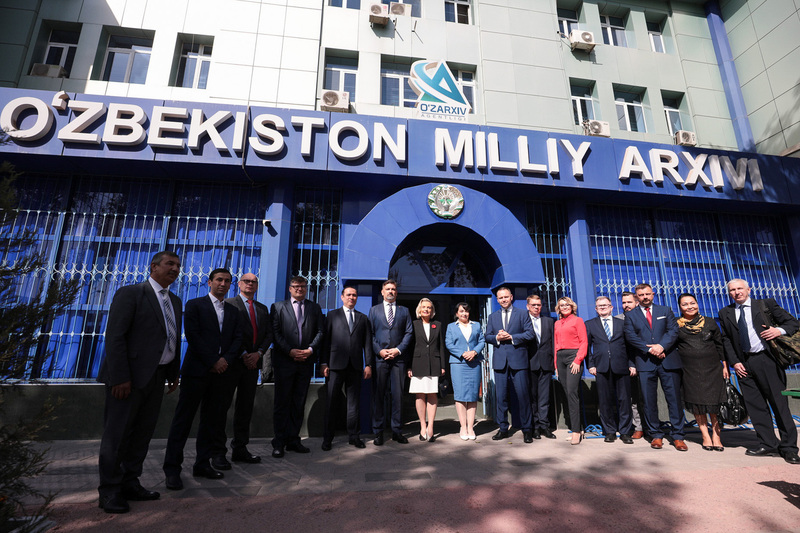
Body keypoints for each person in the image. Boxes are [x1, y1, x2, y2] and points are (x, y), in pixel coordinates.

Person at [97, 251, 182, 514]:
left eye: (178, 266)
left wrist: (172, 373)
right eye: (170, 264)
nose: (175, 269)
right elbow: (115, 337)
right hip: (128, 380)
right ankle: (110, 491)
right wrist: (121, 377)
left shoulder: (175, 301)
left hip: (156, 378)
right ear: (154, 266)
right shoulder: (132, 293)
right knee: (118, 435)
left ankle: (130, 481)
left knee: (142, 434)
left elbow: (171, 338)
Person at [163, 268, 242, 490]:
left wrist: (225, 359)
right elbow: (193, 335)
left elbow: (237, 339)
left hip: (221, 374)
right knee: (183, 420)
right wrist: (212, 361)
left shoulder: (233, 311)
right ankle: (172, 469)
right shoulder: (195, 305)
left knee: (211, 421)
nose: (223, 284)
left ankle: (203, 463)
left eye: (227, 281)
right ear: (209, 282)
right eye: (219, 280)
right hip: (197, 372)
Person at [718, 279, 800, 464]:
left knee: (779, 405)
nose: (736, 292)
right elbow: (726, 340)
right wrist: (735, 362)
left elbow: (792, 323)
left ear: (748, 289)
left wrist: (778, 331)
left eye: (740, 288)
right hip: (744, 364)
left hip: (768, 360)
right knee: (755, 406)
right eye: (732, 290)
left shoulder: (766, 304)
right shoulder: (726, 312)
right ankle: (768, 444)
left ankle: (789, 448)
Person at [215, 273, 273, 466]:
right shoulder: (229, 304)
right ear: (238, 284)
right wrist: (243, 354)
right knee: (222, 408)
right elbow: (226, 333)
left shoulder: (262, 309)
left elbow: (268, 335)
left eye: (254, 282)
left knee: (245, 408)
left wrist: (259, 354)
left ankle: (240, 448)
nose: (250, 284)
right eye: (246, 281)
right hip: (231, 364)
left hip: (252, 365)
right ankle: (218, 451)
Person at [623, 283, 685, 451]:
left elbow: (673, 331)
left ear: (653, 294)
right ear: (637, 297)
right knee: (649, 401)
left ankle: (678, 436)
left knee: (673, 400)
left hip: (668, 361)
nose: (645, 297)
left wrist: (661, 347)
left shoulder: (665, 311)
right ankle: (656, 435)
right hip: (645, 362)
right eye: (641, 295)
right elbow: (630, 336)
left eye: (647, 294)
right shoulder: (631, 316)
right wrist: (650, 349)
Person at [270, 276, 324, 458]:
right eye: (296, 286)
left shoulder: (314, 308)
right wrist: (290, 351)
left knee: (298, 402)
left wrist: (310, 349)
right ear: (290, 288)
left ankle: (293, 439)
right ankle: (278, 441)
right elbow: (275, 333)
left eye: (302, 286)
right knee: (282, 402)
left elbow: (320, 331)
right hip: (285, 361)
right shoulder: (278, 307)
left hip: (305, 363)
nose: (299, 289)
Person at [321, 286, 374, 450]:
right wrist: (324, 363)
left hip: (355, 366)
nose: (352, 297)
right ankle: (328, 438)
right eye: (349, 295)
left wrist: (368, 364)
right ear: (342, 297)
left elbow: (367, 344)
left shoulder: (363, 318)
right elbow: (325, 341)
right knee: (332, 403)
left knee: (354, 404)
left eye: (354, 295)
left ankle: (354, 436)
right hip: (335, 365)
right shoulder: (332, 315)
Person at [675, 293, 728, 452]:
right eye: (685, 304)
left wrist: (725, 366)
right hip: (690, 370)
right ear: (680, 307)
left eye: (692, 303)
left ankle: (716, 436)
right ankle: (705, 435)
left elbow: (720, 345)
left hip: (712, 369)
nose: (689, 306)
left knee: (714, 404)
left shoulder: (710, 322)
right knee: (698, 404)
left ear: (697, 304)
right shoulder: (677, 325)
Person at [485, 287, 535, 443]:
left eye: (506, 297)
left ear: (511, 297)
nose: (503, 300)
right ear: (497, 299)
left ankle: (527, 429)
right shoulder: (493, 317)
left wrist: (511, 337)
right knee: (501, 397)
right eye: (500, 298)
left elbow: (530, 333)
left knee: (523, 396)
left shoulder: (522, 314)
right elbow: (487, 336)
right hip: (500, 362)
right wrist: (498, 338)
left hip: (518, 361)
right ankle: (503, 428)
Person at [369, 279, 413, 445]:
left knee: (398, 396)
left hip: (398, 360)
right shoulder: (374, 311)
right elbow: (370, 334)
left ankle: (397, 431)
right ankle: (378, 432)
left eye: (393, 289)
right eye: (387, 289)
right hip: (380, 359)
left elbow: (409, 333)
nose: (390, 292)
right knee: (379, 396)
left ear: (396, 292)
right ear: (382, 292)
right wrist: (379, 350)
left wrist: (398, 350)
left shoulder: (405, 311)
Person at [585, 296, 634, 444]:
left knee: (624, 400)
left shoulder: (622, 323)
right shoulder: (590, 324)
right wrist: (591, 365)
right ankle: (610, 431)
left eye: (605, 305)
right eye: (599, 306)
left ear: (611, 307)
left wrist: (632, 364)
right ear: (596, 309)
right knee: (605, 400)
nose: (602, 307)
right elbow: (587, 348)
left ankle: (625, 431)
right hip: (601, 367)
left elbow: (630, 345)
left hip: (622, 366)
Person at [408, 298, 446, 441]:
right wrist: (409, 366)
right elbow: (410, 346)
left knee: (431, 395)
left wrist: (442, 365)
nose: (426, 309)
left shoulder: (438, 325)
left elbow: (441, 346)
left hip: (434, 363)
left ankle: (431, 427)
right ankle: (422, 426)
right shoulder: (414, 325)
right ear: (419, 309)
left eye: (429, 307)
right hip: (417, 363)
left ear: (432, 310)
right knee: (419, 395)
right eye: (423, 307)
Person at [445, 302, 485, 440]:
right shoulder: (451, 327)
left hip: (474, 363)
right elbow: (448, 344)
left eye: (466, 311)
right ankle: (463, 426)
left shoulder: (477, 325)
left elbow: (482, 341)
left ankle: (470, 427)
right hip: (458, 364)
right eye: (461, 311)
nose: (464, 314)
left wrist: (474, 351)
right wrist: (463, 353)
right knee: (461, 395)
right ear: (456, 313)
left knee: (473, 395)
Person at [553, 296, 588, 445]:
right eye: (562, 305)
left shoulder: (577, 321)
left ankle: (575, 432)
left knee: (572, 393)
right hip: (560, 357)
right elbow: (555, 345)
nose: (565, 307)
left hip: (573, 356)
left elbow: (584, 341)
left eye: (567, 304)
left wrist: (578, 360)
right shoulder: (557, 323)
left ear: (572, 306)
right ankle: (578, 428)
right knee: (567, 393)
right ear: (558, 308)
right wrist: (556, 366)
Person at [526, 295, 556, 440]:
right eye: (533, 305)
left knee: (544, 397)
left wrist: (554, 364)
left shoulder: (549, 321)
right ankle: (535, 427)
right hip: (530, 364)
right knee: (533, 397)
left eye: (538, 305)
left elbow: (554, 343)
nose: (536, 307)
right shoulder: (523, 321)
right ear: (528, 306)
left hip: (546, 363)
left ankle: (545, 426)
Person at [616, 291, 646, 440]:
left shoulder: (644, 317)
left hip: (647, 361)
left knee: (647, 396)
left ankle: (652, 425)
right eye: (623, 303)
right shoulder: (618, 320)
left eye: (629, 302)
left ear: (636, 303)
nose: (626, 305)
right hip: (628, 364)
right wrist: (630, 363)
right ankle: (638, 427)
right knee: (632, 398)